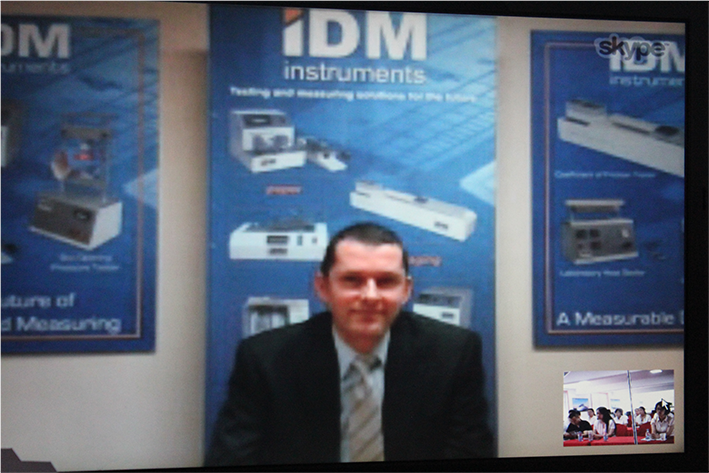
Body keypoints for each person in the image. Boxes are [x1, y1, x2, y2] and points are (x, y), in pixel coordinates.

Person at [205, 222, 493, 465]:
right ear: (323, 287)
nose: (370, 296)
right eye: (353, 280)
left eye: (386, 281)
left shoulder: (453, 354)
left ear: (406, 290)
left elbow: (470, 453)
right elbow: (232, 458)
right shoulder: (265, 359)